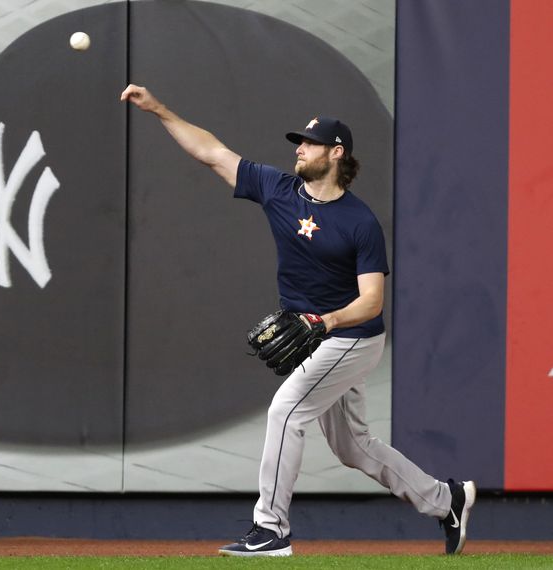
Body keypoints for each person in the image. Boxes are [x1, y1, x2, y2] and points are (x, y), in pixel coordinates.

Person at [120, 84, 476, 557]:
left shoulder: (359, 222)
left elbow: (372, 301)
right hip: (316, 337)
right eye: (298, 142)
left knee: (286, 411)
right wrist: (159, 109)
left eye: (308, 143)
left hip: (350, 336)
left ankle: (271, 530)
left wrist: (323, 322)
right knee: (353, 447)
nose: (299, 149)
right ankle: (445, 499)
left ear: (336, 152)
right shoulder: (279, 190)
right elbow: (211, 152)